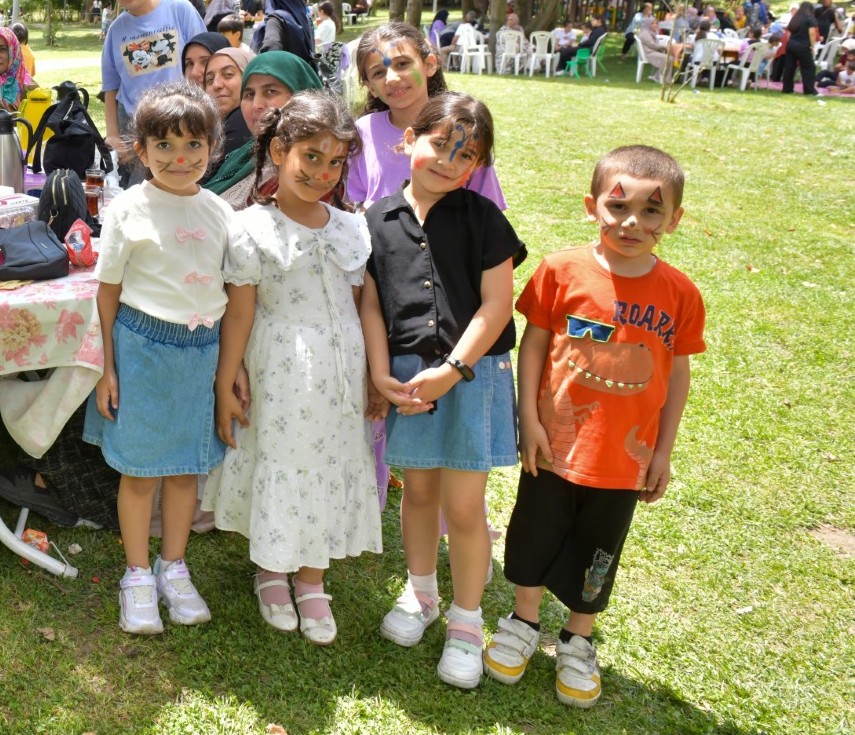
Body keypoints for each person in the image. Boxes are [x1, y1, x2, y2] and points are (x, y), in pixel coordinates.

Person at [484, 146, 704, 708]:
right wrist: (527, 418)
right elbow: (534, 343)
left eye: (652, 211)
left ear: (674, 219)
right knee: (534, 531)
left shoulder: (680, 294)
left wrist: (663, 451)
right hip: (555, 443)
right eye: (618, 205)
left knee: (600, 547)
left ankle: (578, 637)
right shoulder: (561, 270)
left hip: (625, 457)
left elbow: (676, 374)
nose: (632, 222)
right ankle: (523, 621)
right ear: (592, 206)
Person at [204, 91, 383, 644]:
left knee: (329, 457)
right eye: (311, 157)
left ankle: (313, 576)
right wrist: (226, 378)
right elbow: (240, 310)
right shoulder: (252, 227)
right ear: (279, 150)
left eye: (335, 162)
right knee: (281, 455)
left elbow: (365, 305)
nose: (323, 173)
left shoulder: (352, 229)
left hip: (340, 369)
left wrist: (376, 373)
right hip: (279, 364)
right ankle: (272, 569)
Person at [360, 91, 525, 689]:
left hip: (472, 376)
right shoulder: (374, 220)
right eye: (440, 145)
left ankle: (465, 621)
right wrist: (382, 374)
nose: (451, 163)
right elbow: (372, 305)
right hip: (407, 377)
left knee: (464, 506)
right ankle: (422, 593)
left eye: (468, 155)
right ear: (409, 141)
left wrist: (453, 369)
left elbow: (496, 305)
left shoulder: (484, 219)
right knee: (419, 493)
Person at [86, 82, 231, 635]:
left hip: (202, 354)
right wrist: (107, 368)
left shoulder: (220, 212)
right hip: (142, 350)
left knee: (185, 469)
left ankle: (174, 566)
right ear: (140, 150)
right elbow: (107, 293)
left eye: (194, 145)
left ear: (213, 148)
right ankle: (138, 574)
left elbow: (231, 291)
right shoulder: (127, 209)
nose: (180, 159)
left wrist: (228, 369)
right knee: (142, 470)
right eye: (164, 146)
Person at [346, 22, 505, 211]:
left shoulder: (463, 129)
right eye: (378, 72)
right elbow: (357, 202)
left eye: (402, 64)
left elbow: (489, 214)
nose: (392, 78)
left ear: (429, 65)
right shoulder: (363, 131)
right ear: (371, 87)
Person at [100, 0, 206, 183]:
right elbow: (110, 87)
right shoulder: (116, 31)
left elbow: (204, 63)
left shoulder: (180, 10)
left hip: (183, 123)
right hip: (138, 132)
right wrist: (114, 135)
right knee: (140, 197)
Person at [205, 51, 321, 210]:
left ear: (302, 96)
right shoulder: (244, 155)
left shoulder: (313, 168)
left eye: (270, 91)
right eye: (249, 94)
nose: (256, 105)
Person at [253, 0, 317, 65]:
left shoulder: (275, 20)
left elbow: (271, 50)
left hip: (284, 78)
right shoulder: (305, 18)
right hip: (305, 77)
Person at [204, 45, 255, 162]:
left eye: (228, 74)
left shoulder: (241, 119)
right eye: (209, 80)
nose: (216, 85)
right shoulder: (213, 127)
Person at [780, 1, 820, 96]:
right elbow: (812, 33)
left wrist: (790, 42)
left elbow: (789, 32)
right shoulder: (810, 19)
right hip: (803, 46)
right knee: (809, 68)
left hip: (791, 45)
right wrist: (812, 46)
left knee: (789, 68)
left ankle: (787, 89)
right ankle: (809, 90)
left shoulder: (795, 18)